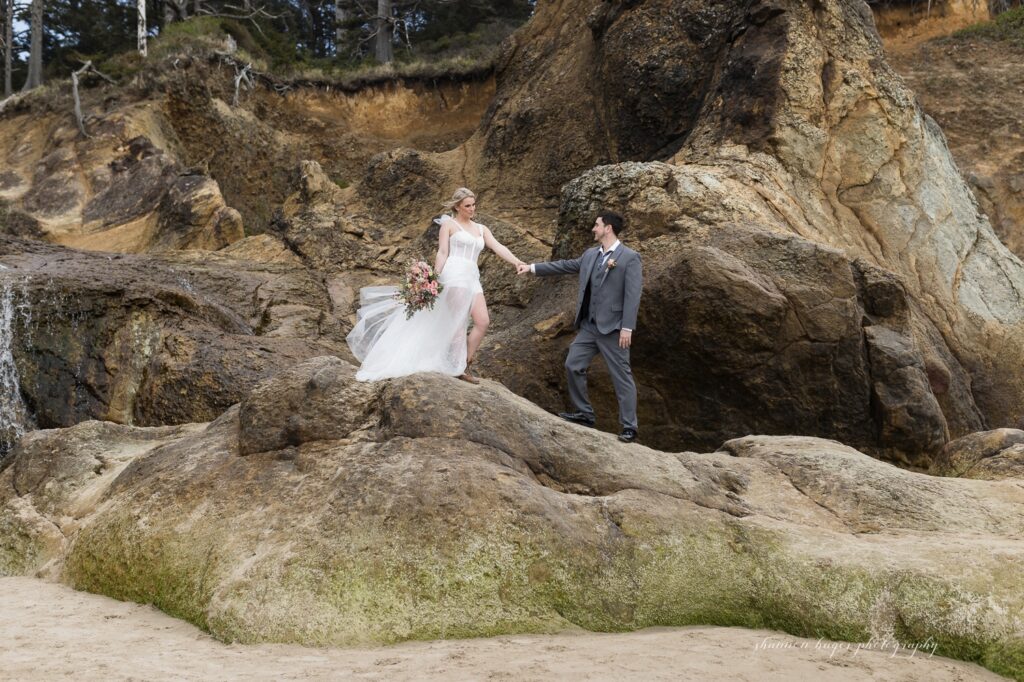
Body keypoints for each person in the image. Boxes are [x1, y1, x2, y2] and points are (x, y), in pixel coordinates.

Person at [347, 188, 525, 383]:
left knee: (483, 322)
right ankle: (460, 369)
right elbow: (442, 253)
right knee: (459, 322)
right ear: (457, 207)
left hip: (472, 278)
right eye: (468, 206)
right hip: (454, 275)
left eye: (474, 204)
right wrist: (433, 278)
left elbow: (498, 246)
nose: (472, 209)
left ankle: (463, 362)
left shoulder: (482, 229)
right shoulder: (449, 225)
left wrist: (516, 261)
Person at [517, 211, 642, 443]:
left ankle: (629, 427)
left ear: (608, 228)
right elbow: (565, 266)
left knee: (621, 377)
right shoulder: (590, 255)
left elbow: (633, 295)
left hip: (614, 329)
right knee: (573, 364)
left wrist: (627, 327)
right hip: (589, 326)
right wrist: (532, 268)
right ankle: (585, 414)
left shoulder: (629, 258)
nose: (593, 229)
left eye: (597, 225)